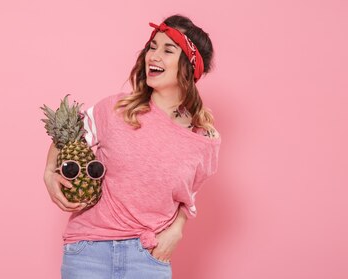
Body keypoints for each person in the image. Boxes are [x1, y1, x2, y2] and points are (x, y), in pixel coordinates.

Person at [43, 14, 221, 278]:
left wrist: (177, 231)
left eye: (167, 50)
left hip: (147, 258)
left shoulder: (203, 138)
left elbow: (188, 198)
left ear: (188, 67)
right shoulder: (117, 109)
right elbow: (68, 137)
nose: (153, 56)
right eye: (152, 47)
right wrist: (49, 171)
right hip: (88, 251)